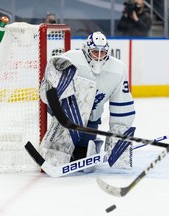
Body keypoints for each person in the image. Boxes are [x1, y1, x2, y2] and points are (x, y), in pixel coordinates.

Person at [39, 31, 136, 171]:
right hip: (66, 117)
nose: (98, 56)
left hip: (91, 120)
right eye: (95, 52)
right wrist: (57, 108)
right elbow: (49, 89)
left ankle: (89, 147)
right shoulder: (71, 58)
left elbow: (122, 107)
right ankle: (59, 147)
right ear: (86, 50)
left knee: (81, 155)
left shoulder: (117, 69)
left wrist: (119, 139)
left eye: (102, 53)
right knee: (58, 155)